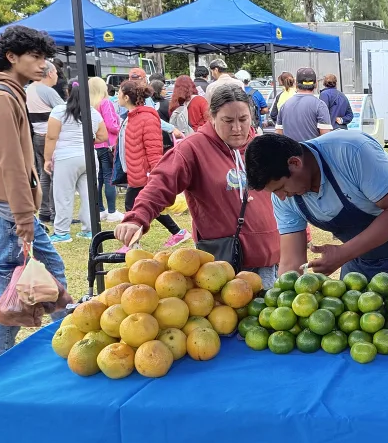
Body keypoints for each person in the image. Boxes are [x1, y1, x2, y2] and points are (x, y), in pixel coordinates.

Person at [115, 85, 280, 286]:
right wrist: (137, 217)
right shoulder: (193, 148)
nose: (237, 128)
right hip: (221, 263)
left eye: (243, 120)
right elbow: (160, 184)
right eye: (228, 121)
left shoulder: (261, 146)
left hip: (270, 256)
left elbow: (286, 194)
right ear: (211, 116)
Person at [246, 130, 388, 289]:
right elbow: (291, 262)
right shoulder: (282, 196)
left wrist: (343, 253)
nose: (281, 197)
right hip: (359, 256)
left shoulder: (352, 150)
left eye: (281, 188)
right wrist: (282, 303)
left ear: (295, 163)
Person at [0, 25, 67, 362]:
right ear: (11, 57)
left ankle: (66, 335)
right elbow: (10, 162)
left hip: (6, 203)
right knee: (7, 279)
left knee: (32, 272)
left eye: (45, 57)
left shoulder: (8, 92)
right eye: (36, 56)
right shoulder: (0, 97)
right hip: (5, 205)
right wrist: (24, 216)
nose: (43, 64)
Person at [117, 80, 190, 248]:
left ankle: (131, 245)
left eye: (119, 93)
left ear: (126, 97)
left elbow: (153, 150)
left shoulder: (146, 118)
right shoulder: (130, 117)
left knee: (133, 205)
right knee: (152, 207)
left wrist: (154, 174)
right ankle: (178, 233)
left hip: (143, 173)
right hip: (136, 172)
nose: (117, 96)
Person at [43, 83, 106, 242]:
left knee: (63, 195)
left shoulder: (59, 111)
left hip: (65, 158)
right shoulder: (93, 113)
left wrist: (47, 159)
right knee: (89, 195)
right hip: (89, 157)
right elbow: (103, 136)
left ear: (67, 92)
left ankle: (62, 232)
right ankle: (90, 229)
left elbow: (51, 137)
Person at [26, 60, 64, 224]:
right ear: (49, 73)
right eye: (55, 72)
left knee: (44, 174)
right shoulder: (47, 91)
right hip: (51, 137)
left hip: (36, 136)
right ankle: (56, 214)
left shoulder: (28, 89)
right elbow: (65, 111)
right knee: (56, 175)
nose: (56, 76)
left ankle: (44, 211)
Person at [89, 77, 122, 223]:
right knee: (109, 177)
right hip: (107, 144)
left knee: (98, 178)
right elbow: (111, 125)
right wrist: (120, 127)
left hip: (94, 145)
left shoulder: (88, 104)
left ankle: (100, 210)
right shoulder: (105, 103)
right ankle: (112, 211)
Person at [276, 67, 332, 141]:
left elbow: (279, 133)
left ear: (296, 84)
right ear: (316, 84)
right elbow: (326, 138)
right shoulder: (320, 105)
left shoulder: (285, 105)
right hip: (311, 151)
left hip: (290, 151)